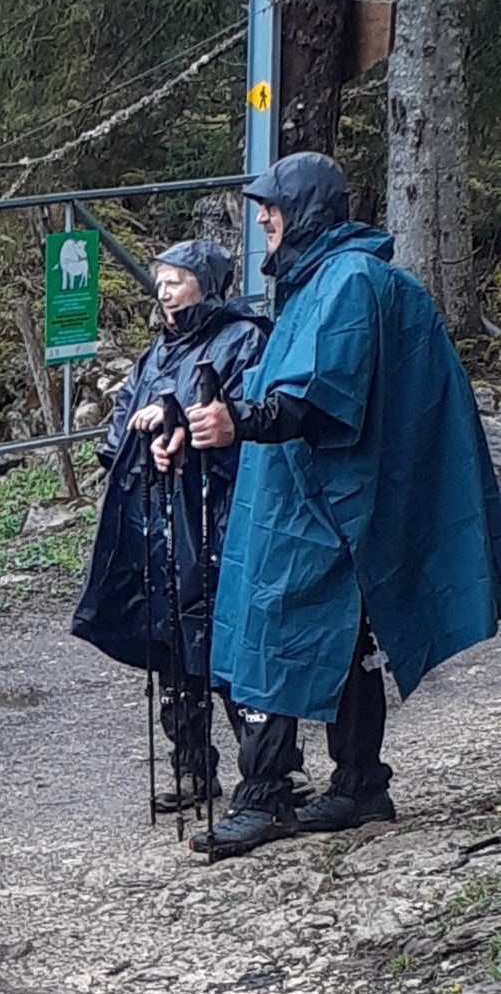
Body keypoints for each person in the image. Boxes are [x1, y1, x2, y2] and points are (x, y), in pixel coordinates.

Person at [182, 152, 501, 860]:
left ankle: (265, 794)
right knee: (345, 637)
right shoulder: (327, 279)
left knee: (276, 629)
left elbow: (319, 396)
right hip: (315, 494)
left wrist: (240, 422)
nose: (263, 221)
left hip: (321, 502)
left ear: (305, 211)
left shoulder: (349, 280)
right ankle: (359, 784)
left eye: (272, 208)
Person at [72, 242, 273, 810]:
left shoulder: (242, 340)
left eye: (176, 280)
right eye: (159, 281)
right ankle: (191, 766)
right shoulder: (156, 353)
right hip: (161, 519)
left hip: (220, 513)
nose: (164, 291)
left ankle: (269, 769)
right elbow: (119, 433)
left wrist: (179, 420)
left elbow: (246, 420)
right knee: (171, 637)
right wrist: (143, 440)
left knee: (224, 634)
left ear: (207, 283)